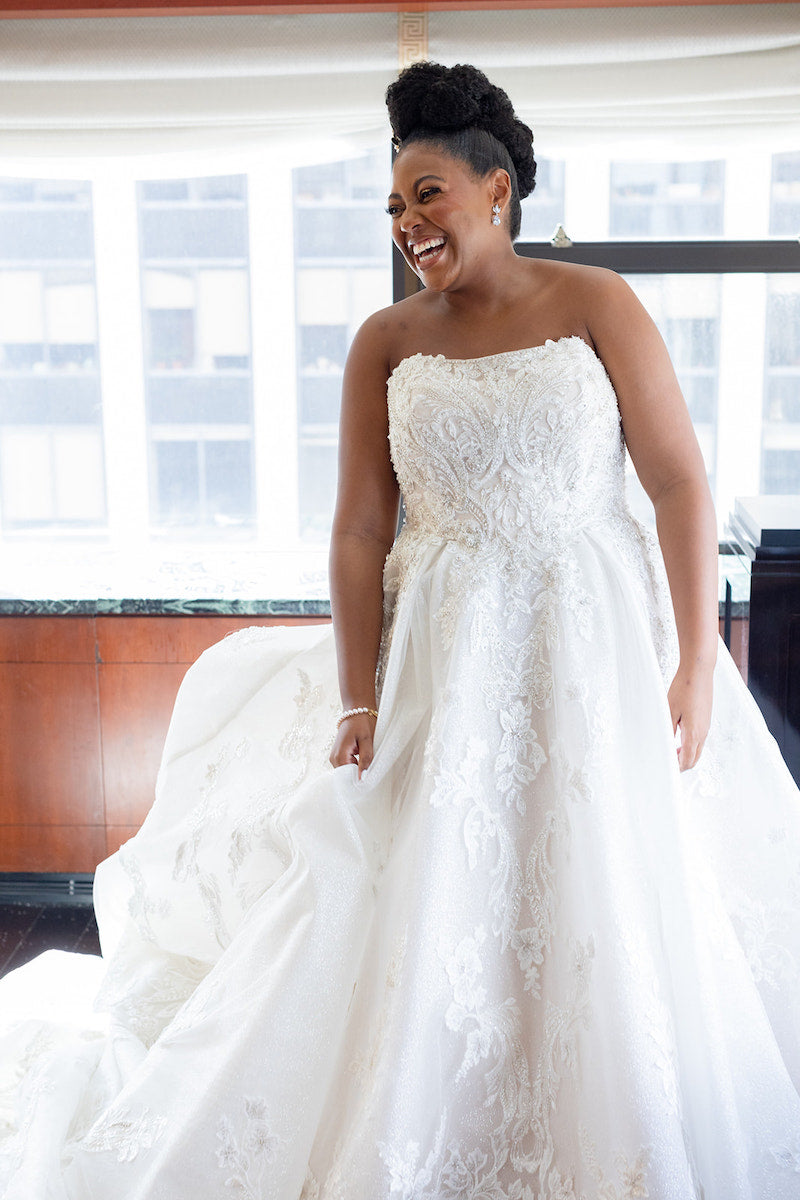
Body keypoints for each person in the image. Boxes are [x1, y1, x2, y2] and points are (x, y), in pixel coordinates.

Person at [1, 60, 799, 1200]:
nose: (407, 222)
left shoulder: (595, 303)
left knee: (609, 886)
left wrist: (693, 663)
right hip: (447, 653)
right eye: (391, 205)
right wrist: (357, 695)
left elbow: (675, 482)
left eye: (425, 193)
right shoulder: (383, 340)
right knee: (434, 899)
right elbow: (358, 532)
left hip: (593, 641)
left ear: (494, 189)